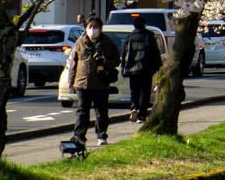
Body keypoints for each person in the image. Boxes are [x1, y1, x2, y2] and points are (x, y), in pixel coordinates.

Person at [61, 14, 120, 154]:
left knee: (101, 111)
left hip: (101, 83)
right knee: (82, 111)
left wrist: (106, 62)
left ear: (101, 28)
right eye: (90, 26)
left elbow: (116, 60)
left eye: (95, 27)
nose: (92, 29)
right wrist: (71, 79)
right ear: (86, 28)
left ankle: (102, 135)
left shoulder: (107, 42)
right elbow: (73, 61)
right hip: (82, 82)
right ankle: (80, 136)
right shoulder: (80, 42)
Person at [121, 12, 163, 122]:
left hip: (133, 69)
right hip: (146, 69)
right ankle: (142, 115)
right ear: (144, 24)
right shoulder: (149, 36)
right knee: (145, 92)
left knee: (134, 90)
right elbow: (155, 52)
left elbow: (125, 53)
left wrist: (124, 67)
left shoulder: (130, 37)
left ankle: (134, 107)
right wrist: (158, 65)